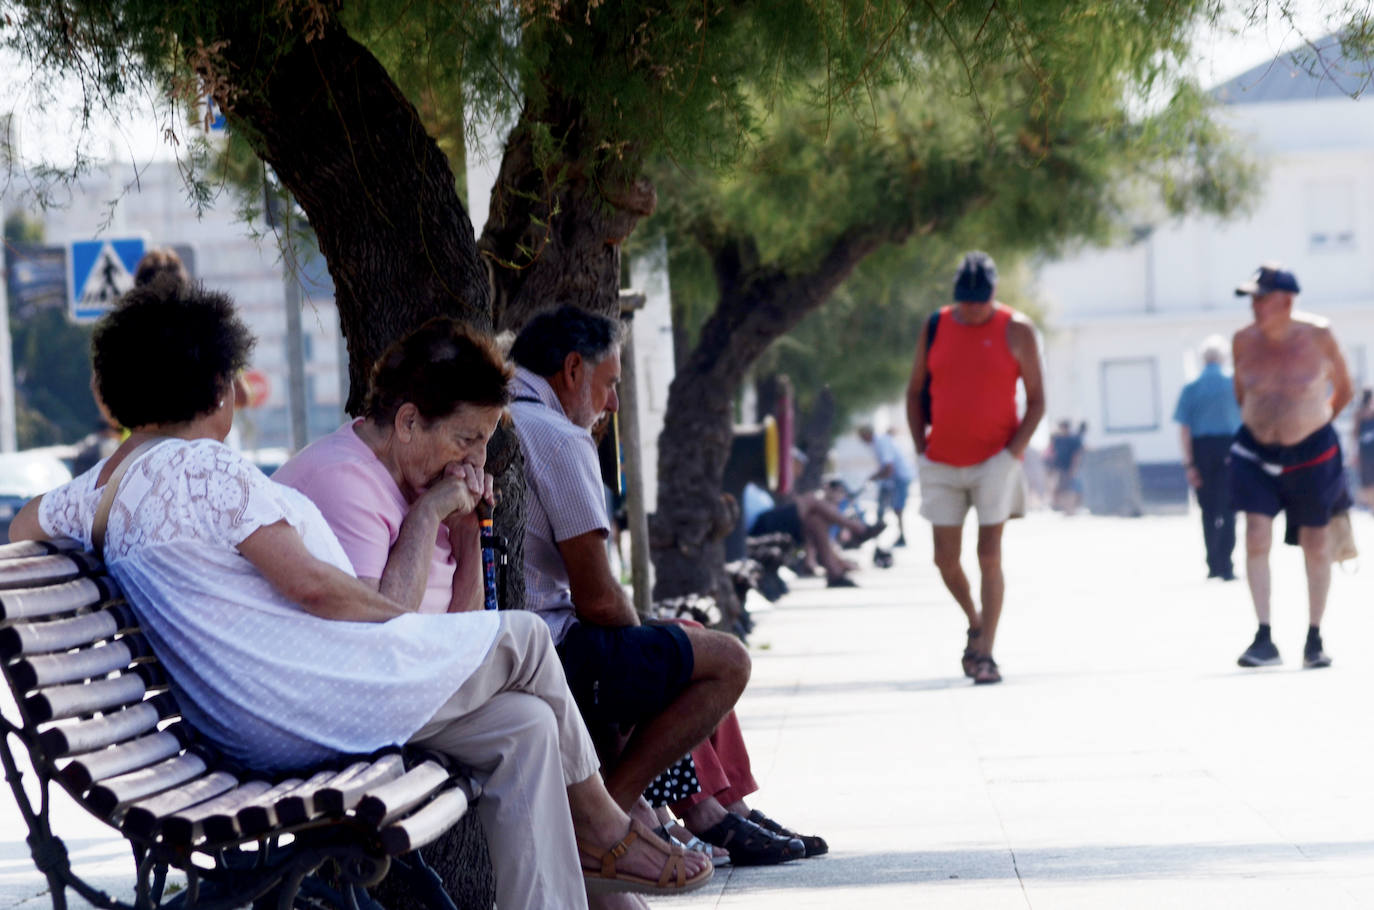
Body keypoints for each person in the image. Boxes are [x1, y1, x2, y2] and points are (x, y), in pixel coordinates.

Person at [10, 283, 710, 908]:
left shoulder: (96, 496)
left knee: (525, 727)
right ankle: (608, 828)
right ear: (222, 388)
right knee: (523, 636)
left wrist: (118, 467)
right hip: (298, 705)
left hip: (252, 710)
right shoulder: (206, 471)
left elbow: (22, 523)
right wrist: (401, 626)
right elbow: (311, 584)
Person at [506, 306, 757, 832]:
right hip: (547, 647)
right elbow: (598, 599)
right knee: (727, 659)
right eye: (609, 384)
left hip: (517, 642)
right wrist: (644, 637)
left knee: (673, 640)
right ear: (573, 370)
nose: (613, 403)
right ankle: (610, 818)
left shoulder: (503, 413)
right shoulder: (556, 434)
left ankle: (706, 810)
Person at [905, 251, 1044, 685]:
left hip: (994, 461)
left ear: (994, 293)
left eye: (980, 300)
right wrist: (920, 449)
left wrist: (1012, 454)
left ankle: (986, 654)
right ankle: (975, 619)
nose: (972, 308)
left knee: (989, 554)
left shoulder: (1016, 329)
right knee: (944, 559)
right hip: (941, 461)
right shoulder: (936, 325)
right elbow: (914, 393)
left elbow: (1038, 401)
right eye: (965, 300)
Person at [1230, 264, 1352, 670]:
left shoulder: (1319, 335)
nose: (1255, 305)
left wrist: (1313, 422)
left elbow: (1345, 389)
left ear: (1287, 299)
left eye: (1261, 297)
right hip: (1256, 452)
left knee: (1316, 543)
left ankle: (1314, 638)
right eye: (1252, 298)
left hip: (1312, 453)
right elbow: (1241, 393)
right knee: (1256, 535)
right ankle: (1264, 637)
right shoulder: (1243, 341)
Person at [1173, 336, 1243, 581]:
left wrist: (1189, 463)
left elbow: (1184, 429)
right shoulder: (1234, 384)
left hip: (1201, 450)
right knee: (1229, 508)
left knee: (1208, 510)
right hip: (1230, 450)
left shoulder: (1191, 387)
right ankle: (1226, 564)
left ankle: (1213, 563)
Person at [858, 425, 914, 546]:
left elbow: (889, 468)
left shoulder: (881, 442)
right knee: (885, 508)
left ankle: (901, 536)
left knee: (897, 508)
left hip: (899, 478)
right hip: (893, 479)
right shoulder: (878, 442)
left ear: (866, 434)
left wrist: (875, 477)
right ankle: (878, 536)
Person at [1046, 420, 1085, 514]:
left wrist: (1074, 468)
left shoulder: (1073, 440)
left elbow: (1077, 455)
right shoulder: (1058, 439)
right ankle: (1064, 508)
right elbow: (1053, 453)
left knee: (1070, 489)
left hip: (1070, 468)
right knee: (1060, 489)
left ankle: (1070, 509)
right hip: (1060, 468)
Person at [1353, 388, 1374, 508]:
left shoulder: (1359, 413)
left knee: (1367, 480)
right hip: (1366, 451)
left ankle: (1372, 506)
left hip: (1365, 451)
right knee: (1367, 480)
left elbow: (1354, 434)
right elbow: (1355, 434)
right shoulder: (1360, 414)